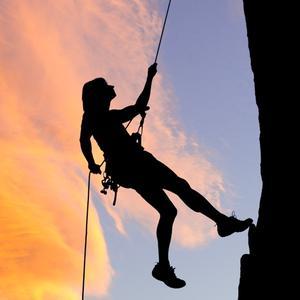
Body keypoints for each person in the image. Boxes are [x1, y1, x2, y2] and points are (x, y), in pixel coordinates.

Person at [80, 63, 253, 289]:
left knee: (169, 210)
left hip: (130, 169)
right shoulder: (95, 117)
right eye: (105, 92)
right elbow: (85, 139)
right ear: (98, 97)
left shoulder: (104, 117)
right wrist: (91, 161)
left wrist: (149, 78)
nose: (109, 95)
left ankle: (163, 266)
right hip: (135, 164)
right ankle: (222, 223)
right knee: (180, 187)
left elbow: (137, 107)